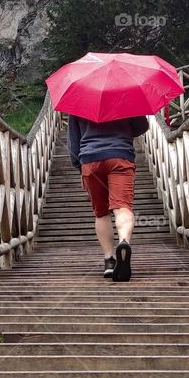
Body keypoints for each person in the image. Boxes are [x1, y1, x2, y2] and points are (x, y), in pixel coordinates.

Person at [67, 113, 149, 281]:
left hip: (90, 159)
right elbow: (141, 127)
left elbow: (73, 140)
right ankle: (124, 241)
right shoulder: (126, 93)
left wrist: (79, 165)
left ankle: (109, 261)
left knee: (101, 212)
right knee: (122, 207)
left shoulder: (79, 98)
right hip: (120, 155)